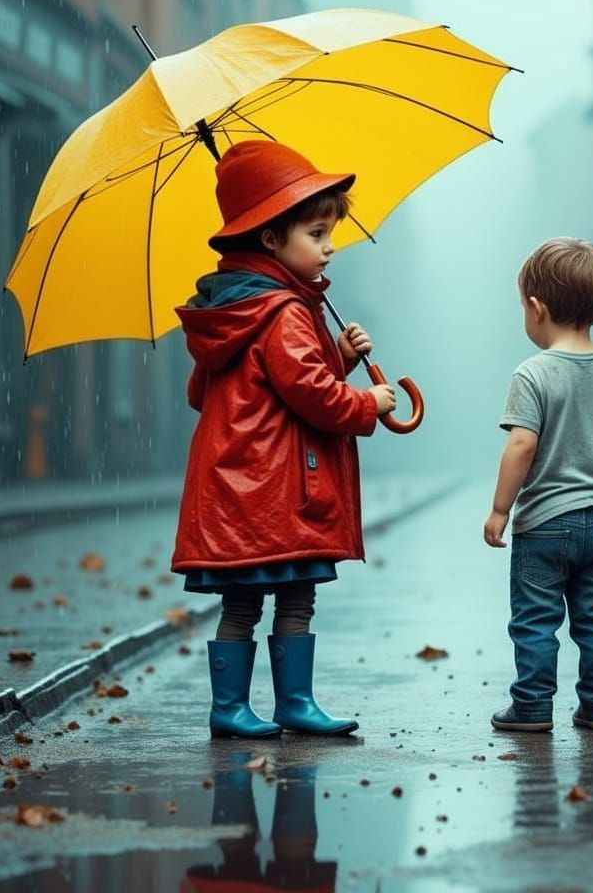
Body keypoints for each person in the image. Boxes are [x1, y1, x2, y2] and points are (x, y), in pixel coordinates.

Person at [172, 140, 396, 739]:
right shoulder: (284, 310)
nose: (328, 247)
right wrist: (366, 401)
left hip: (240, 485)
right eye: (317, 234)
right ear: (271, 239)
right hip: (274, 487)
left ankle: (239, 707)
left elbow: (235, 390)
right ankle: (286, 702)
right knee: (290, 597)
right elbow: (311, 395)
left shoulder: (235, 309)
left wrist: (336, 356)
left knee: (245, 601)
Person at [483, 237, 593, 733]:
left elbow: (521, 446)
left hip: (544, 525)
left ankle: (533, 706)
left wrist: (500, 510)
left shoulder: (532, 374)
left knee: (535, 620)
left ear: (537, 309)